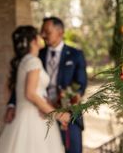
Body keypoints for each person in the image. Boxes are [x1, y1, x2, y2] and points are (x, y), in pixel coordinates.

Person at [6, 17, 87, 153]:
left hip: (68, 114)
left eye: (47, 31)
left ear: (60, 32)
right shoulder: (37, 55)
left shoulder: (75, 55)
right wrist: (12, 104)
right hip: (40, 114)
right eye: (41, 31)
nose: (43, 35)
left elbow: (80, 84)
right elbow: (25, 83)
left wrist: (64, 103)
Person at [0, 25, 69, 153]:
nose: (42, 37)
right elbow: (30, 94)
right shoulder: (33, 61)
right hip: (34, 118)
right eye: (39, 35)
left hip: (27, 115)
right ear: (34, 41)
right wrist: (57, 114)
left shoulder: (25, 61)